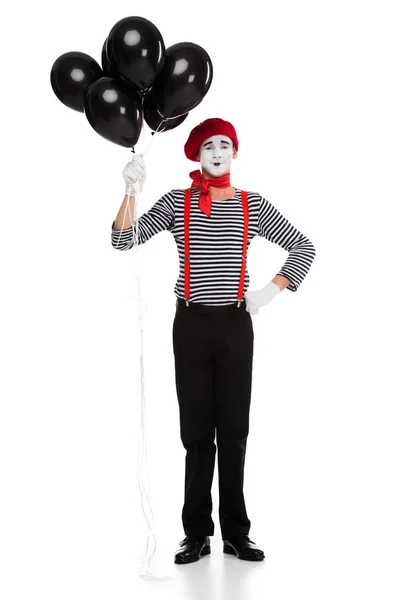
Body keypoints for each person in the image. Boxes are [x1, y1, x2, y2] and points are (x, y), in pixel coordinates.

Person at [111, 118, 316, 564]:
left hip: (236, 325)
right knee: (197, 433)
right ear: (196, 156)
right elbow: (122, 240)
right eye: (208, 146)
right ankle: (196, 533)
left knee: (235, 431)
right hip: (190, 325)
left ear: (235, 153)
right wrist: (129, 191)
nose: (217, 152)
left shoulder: (251, 204)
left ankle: (236, 533)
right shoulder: (176, 202)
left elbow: (303, 247)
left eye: (225, 144)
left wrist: (269, 290)